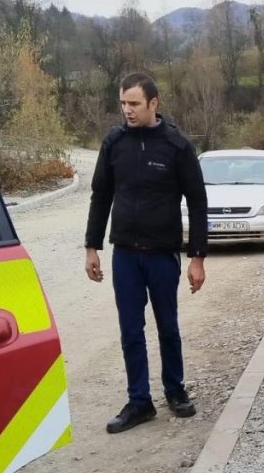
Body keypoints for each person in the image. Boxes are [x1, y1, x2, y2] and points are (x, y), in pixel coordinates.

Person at [84, 72, 208, 433]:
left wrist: (197, 257)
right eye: (123, 103)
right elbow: (100, 196)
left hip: (161, 254)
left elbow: (198, 202)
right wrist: (91, 247)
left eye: (134, 103)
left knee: (167, 325)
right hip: (125, 254)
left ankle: (175, 390)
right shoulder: (114, 143)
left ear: (154, 103)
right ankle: (139, 401)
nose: (128, 110)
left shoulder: (176, 146)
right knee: (130, 330)